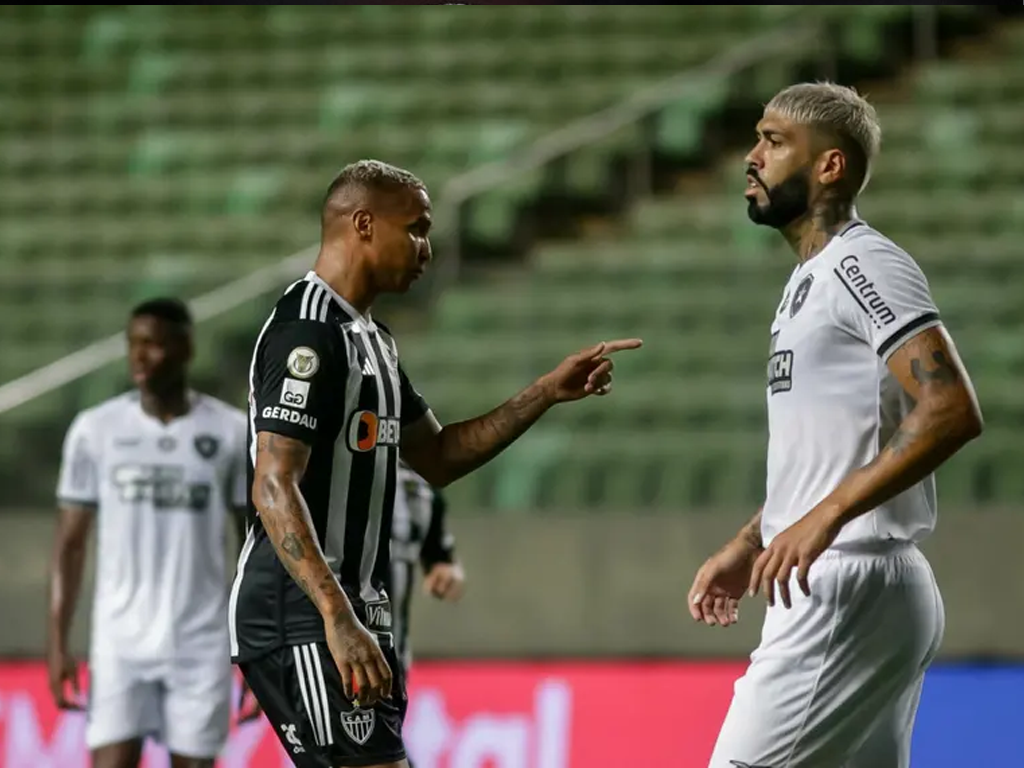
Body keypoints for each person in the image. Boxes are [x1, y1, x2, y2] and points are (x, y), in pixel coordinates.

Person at [229, 158, 641, 768]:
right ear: (363, 224)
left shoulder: (372, 337)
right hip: (302, 615)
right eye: (416, 228)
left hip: (354, 613)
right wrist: (337, 617)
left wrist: (545, 392)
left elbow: (440, 455)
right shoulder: (307, 334)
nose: (427, 247)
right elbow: (273, 484)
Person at [687, 82, 984, 768]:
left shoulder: (862, 263)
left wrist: (824, 519)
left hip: (847, 584)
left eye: (774, 140)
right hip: (854, 583)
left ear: (829, 167)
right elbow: (827, 450)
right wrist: (751, 537)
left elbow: (951, 408)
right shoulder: (808, 282)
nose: (751, 157)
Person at [48, 298, 258, 768]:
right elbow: (70, 544)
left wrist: (259, 648)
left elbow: (254, 547)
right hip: (120, 641)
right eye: (133, 345)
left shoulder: (229, 432)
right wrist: (58, 644)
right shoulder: (95, 431)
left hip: (201, 641)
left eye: (154, 344)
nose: (139, 357)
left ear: (185, 349)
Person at [390, 460, 465, 678]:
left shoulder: (418, 477)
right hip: (327, 642)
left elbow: (440, 554)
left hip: (393, 651)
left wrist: (446, 567)